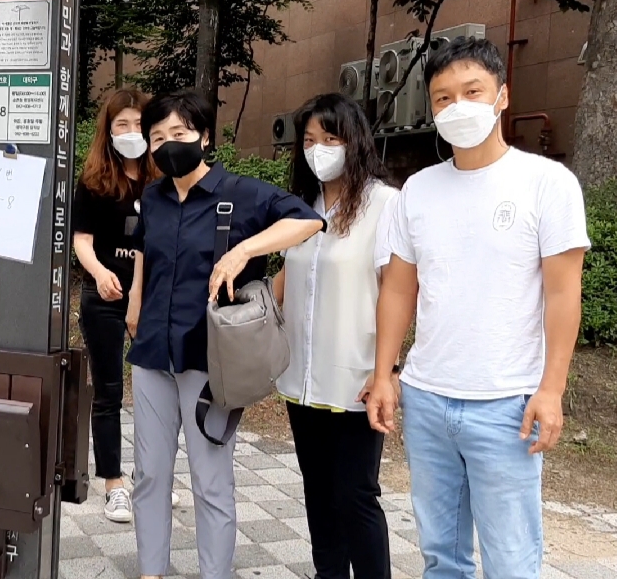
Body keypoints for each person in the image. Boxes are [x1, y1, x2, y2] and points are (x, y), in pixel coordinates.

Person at [365, 36, 590, 579]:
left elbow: (564, 294)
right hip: (427, 398)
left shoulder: (547, 183)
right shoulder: (417, 190)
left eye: (472, 92)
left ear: (502, 96)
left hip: (507, 403)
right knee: (442, 557)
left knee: (511, 562)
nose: (458, 106)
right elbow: (399, 289)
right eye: (443, 98)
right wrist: (383, 374)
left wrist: (552, 390)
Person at [126, 88, 326, 579]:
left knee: (210, 480)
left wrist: (244, 250)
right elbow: (144, 252)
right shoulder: (151, 197)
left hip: (210, 360)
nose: (168, 144)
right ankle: (151, 572)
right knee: (149, 474)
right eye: (158, 137)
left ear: (204, 137)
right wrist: (134, 300)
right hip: (152, 353)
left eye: (179, 133)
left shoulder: (241, 193)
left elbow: (308, 221)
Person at [273, 92, 397, 579]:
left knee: (356, 495)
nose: (318, 150)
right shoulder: (301, 207)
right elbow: (287, 279)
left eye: (329, 139)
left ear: (354, 141)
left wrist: (386, 371)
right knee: (318, 492)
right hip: (302, 378)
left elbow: (397, 293)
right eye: (308, 140)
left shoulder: (385, 205)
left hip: (355, 379)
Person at [73, 87, 178, 524]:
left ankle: (151, 477)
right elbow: (82, 241)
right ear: (109, 130)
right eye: (123, 125)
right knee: (109, 392)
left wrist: (142, 290)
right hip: (104, 299)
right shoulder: (94, 182)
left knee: (158, 392)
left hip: (151, 298)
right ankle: (113, 484)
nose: (132, 132)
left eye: (139, 124)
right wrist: (100, 273)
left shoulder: (163, 179)